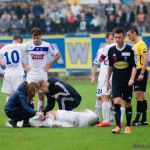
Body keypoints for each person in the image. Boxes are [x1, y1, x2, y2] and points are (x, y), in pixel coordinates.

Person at [106, 27, 137, 134]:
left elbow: (134, 66)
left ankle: (128, 126)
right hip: (116, 80)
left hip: (128, 80)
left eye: (120, 37)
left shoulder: (130, 49)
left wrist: (132, 79)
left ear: (123, 37)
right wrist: (107, 80)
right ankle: (118, 126)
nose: (118, 39)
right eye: (116, 37)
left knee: (127, 104)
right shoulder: (111, 51)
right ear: (113, 38)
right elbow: (110, 66)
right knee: (117, 101)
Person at [23, 27, 61, 111]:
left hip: (42, 74)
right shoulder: (27, 45)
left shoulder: (47, 45)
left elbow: (58, 54)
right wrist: (24, 65)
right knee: (29, 95)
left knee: (41, 95)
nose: (36, 40)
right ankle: (30, 115)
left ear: (41, 36)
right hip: (31, 74)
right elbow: (18, 53)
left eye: (38, 37)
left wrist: (49, 64)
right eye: (34, 38)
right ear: (32, 37)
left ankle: (40, 115)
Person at [91, 32, 113, 127]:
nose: (113, 40)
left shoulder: (115, 50)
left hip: (112, 77)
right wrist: (93, 77)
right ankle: (96, 118)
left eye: (113, 38)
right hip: (102, 78)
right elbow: (96, 64)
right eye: (111, 38)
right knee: (99, 97)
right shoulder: (101, 50)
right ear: (106, 39)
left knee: (111, 98)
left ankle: (111, 119)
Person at [127, 26, 148, 126]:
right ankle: (144, 119)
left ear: (134, 33)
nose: (128, 37)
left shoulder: (141, 44)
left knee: (138, 95)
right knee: (142, 96)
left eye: (129, 34)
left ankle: (136, 119)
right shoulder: (134, 45)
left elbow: (145, 59)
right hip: (136, 71)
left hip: (140, 71)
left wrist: (142, 73)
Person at [0, 35, 25, 102]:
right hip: (17, 73)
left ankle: (8, 110)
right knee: (19, 93)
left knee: (8, 94)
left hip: (7, 74)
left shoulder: (4, 48)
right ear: (19, 40)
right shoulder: (20, 46)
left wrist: (1, 67)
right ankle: (18, 110)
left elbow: (1, 62)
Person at [30, 109, 99, 128]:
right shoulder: (91, 117)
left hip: (74, 120)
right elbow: (87, 109)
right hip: (75, 118)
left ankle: (50, 121)